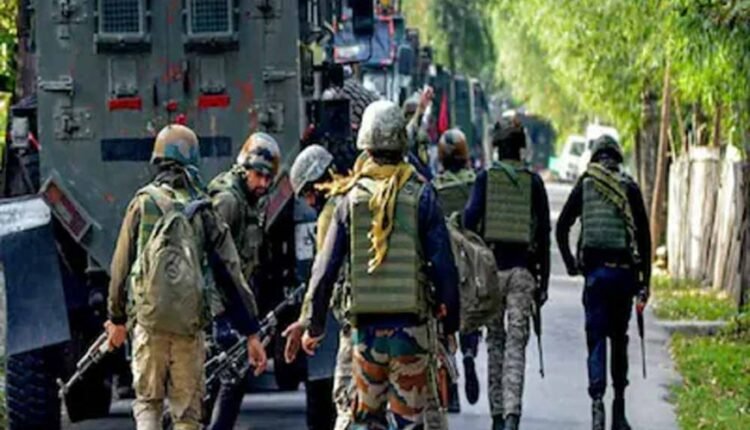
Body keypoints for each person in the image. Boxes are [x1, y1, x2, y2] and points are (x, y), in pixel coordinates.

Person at [300, 101, 460, 429]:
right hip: (411, 333)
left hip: (365, 335)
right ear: (402, 141)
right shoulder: (422, 195)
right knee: (409, 422)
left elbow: (324, 271)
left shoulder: (349, 199)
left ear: (366, 144)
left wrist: (314, 326)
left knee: (368, 421)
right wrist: (450, 323)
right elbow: (445, 268)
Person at [105, 124, 267, 430]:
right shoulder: (204, 210)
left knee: (148, 404)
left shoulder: (142, 203)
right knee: (187, 414)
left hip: (149, 323)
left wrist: (116, 319)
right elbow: (230, 273)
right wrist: (251, 332)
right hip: (189, 328)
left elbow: (120, 266)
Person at [556, 135, 651, 430]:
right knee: (619, 338)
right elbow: (645, 239)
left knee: (596, 338)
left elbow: (561, 227)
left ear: (595, 157)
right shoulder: (629, 187)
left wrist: (571, 264)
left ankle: (596, 404)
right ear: (617, 159)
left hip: (595, 278)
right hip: (623, 277)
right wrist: (645, 283)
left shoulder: (586, 184)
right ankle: (618, 412)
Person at [463, 118, 551, 430]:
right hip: (523, 273)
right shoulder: (534, 183)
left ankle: (497, 416)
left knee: (495, 342)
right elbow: (544, 235)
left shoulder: (485, 179)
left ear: (498, 147)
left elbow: (468, 221)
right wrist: (543, 283)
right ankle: (513, 414)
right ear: (522, 147)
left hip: (492, 273)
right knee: (516, 344)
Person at [206, 132, 281, 430]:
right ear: (243, 168)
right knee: (223, 379)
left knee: (231, 379)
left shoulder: (249, 201)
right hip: (218, 309)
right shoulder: (228, 202)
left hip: (233, 305)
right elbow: (212, 264)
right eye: (257, 175)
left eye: (268, 178)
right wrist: (222, 319)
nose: (263, 183)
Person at [283, 144, 343, 430]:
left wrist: (307, 323)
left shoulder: (331, 213)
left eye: (308, 193)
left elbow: (320, 275)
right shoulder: (356, 198)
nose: (307, 201)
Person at [432, 128, 480, 409]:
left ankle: (451, 392)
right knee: (469, 317)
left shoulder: (435, 187)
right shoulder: (475, 183)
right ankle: (470, 351)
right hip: (470, 258)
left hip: (444, 262)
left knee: (444, 323)